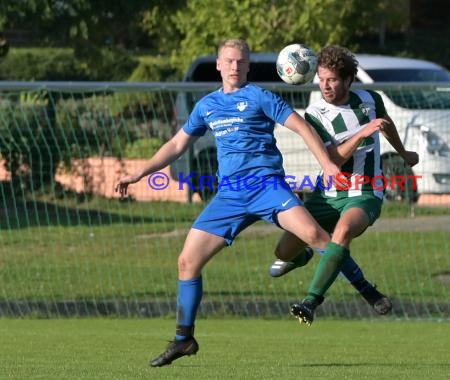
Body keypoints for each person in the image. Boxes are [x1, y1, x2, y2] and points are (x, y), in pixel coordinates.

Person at [115, 38, 345, 367]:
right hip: (229, 196)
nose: (235, 66)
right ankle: (184, 340)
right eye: (229, 61)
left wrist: (326, 164)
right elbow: (176, 144)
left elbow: (302, 127)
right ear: (219, 65)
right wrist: (139, 172)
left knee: (318, 237)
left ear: (248, 65)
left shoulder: (260, 97)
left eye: (241, 61)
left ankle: (368, 291)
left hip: (266, 186)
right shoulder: (207, 105)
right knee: (186, 262)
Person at [271, 45, 419, 325]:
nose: (325, 86)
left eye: (333, 80)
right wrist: (363, 132)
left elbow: (385, 125)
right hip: (326, 194)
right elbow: (331, 158)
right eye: (321, 79)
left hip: (366, 190)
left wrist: (403, 153)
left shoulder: (370, 99)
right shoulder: (315, 114)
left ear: (349, 80)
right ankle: (303, 257)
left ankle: (311, 302)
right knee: (282, 252)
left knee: (343, 230)